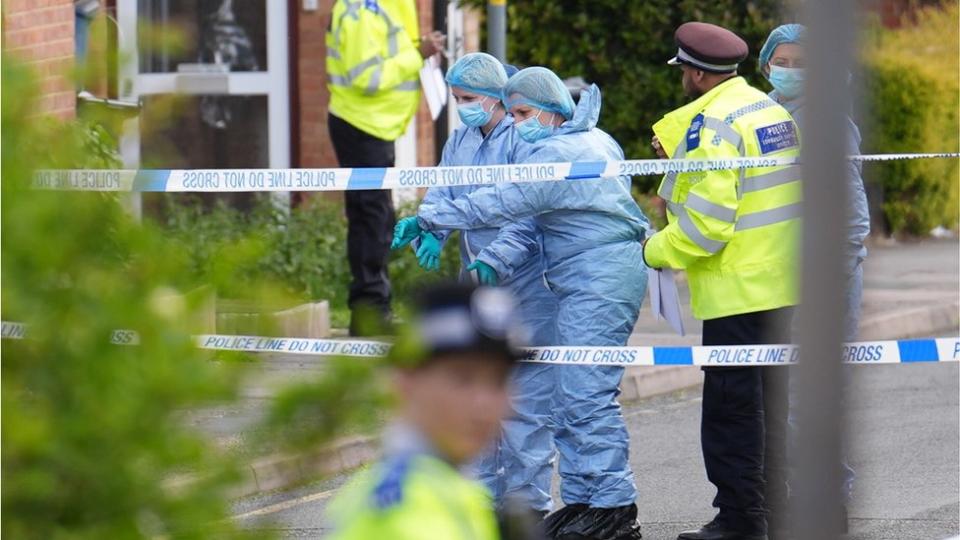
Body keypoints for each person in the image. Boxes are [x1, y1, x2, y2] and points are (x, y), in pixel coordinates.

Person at [394, 66, 648, 539]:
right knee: (573, 396)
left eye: (523, 112)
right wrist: (434, 221)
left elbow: (503, 203)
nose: (517, 122)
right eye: (512, 112)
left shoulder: (562, 152)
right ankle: (584, 501)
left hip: (594, 278)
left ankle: (611, 506)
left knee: (582, 396)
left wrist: (430, 220)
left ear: (553, 110)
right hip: (580, 276)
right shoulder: (587, 140)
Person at [642, 22, 802, 540]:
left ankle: (740, 520)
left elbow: (709, 223)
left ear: (694, 72)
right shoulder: (768, 109)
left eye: (683, 71)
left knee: (731, 414)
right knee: (769, 407)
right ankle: (774, 511)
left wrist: (655, 249)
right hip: (781, 282)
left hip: (737, 289)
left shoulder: (713, 125)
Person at [408, 52, 561, 506]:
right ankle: (480, 506)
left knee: (524, 404)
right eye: (456, 98)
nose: (462, 106)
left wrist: (496, 258)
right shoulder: (460, 139)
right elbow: (444, 189)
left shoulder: (522, 137)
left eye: (469, 98)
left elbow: (525, 212)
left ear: (495, 96)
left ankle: (528, 509)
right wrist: (429, 226)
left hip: (527, 282)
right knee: (475, 393)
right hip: (477, 277)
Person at [759, 23, 870, 534]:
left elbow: (851, 217)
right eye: (783, 61)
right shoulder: (766, 119)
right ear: (765, 65)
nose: (791, 72)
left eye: (804, 63)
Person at [324, 282, 527, 540]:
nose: (484, 404)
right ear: (405, 382)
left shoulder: (449, 485)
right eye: (462, 378)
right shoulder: (403, 512)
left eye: (499, 381)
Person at [325, 0, 445, 336]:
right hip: (362, 124)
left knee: (377, 218)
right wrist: (417, 53)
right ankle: (369, 315)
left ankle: (375, 310)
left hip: (375, 126)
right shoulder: (361, 10)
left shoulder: (388, 4)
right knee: (371, 220)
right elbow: (365, 76)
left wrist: (418, 48)